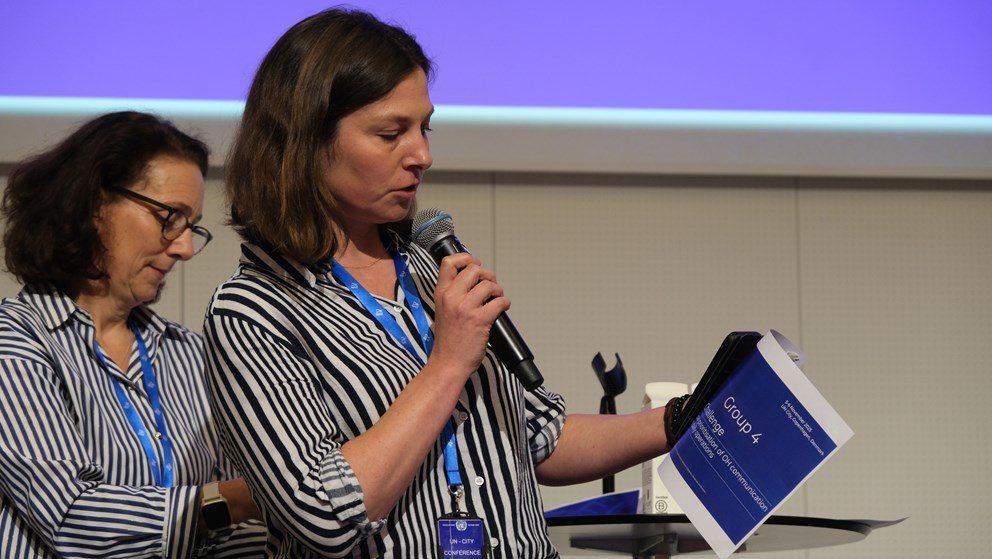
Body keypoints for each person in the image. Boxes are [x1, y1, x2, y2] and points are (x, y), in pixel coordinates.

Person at [203, 8, 688, 558]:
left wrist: (679, 420)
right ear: (305, 141)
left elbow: (539, 440)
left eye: (424, 128)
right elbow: (324, 514)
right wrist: (447, 364)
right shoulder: (251, 312)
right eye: (391, 133)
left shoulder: (433, 267)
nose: (423, 156)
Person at [0, 111, 267, 558]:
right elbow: (72, 518)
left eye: (191, 226)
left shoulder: (189, 354)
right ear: (93, 203)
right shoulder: (18, 340)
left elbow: (227, 535)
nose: (183, 248)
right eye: (169, 217)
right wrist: (249, 498)